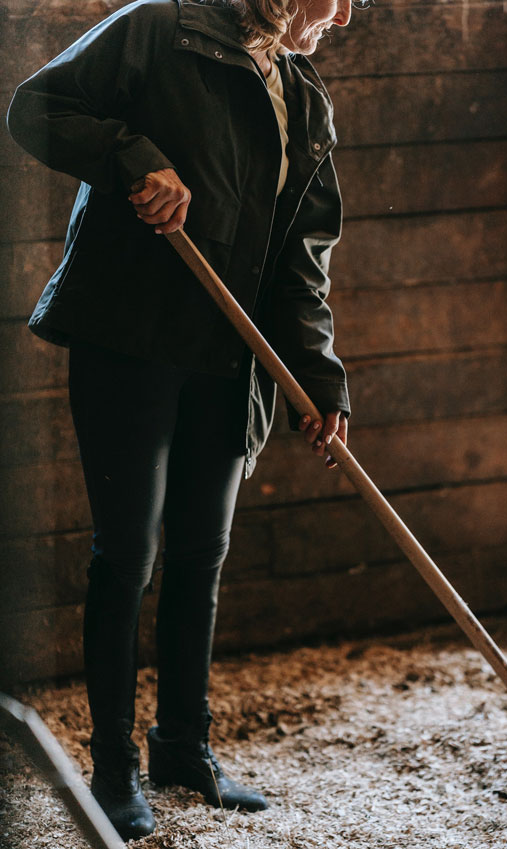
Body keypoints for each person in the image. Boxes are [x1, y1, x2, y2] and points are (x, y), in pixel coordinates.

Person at [7, 0, 354, 839]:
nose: (343, 14)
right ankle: (114, 767)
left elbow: (300, 258)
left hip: (232, 358)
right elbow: (35, 108)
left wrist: (318, 377)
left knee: (202, 551)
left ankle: (183, 748)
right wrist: (134, 158)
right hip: (131, 335)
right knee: (127, 554)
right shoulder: (156, 29)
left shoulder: (300, 96)